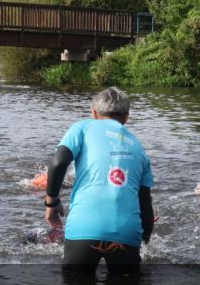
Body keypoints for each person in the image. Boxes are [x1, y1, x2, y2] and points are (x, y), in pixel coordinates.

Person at [45, 87, 154, 274]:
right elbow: (145, 204)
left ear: (94, 113)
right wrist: (143, 239)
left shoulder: (82, 127)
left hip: (84, 228)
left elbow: (58, 163)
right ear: (126, 117)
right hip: (126, 234)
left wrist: (52, 202)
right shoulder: (139, 147)